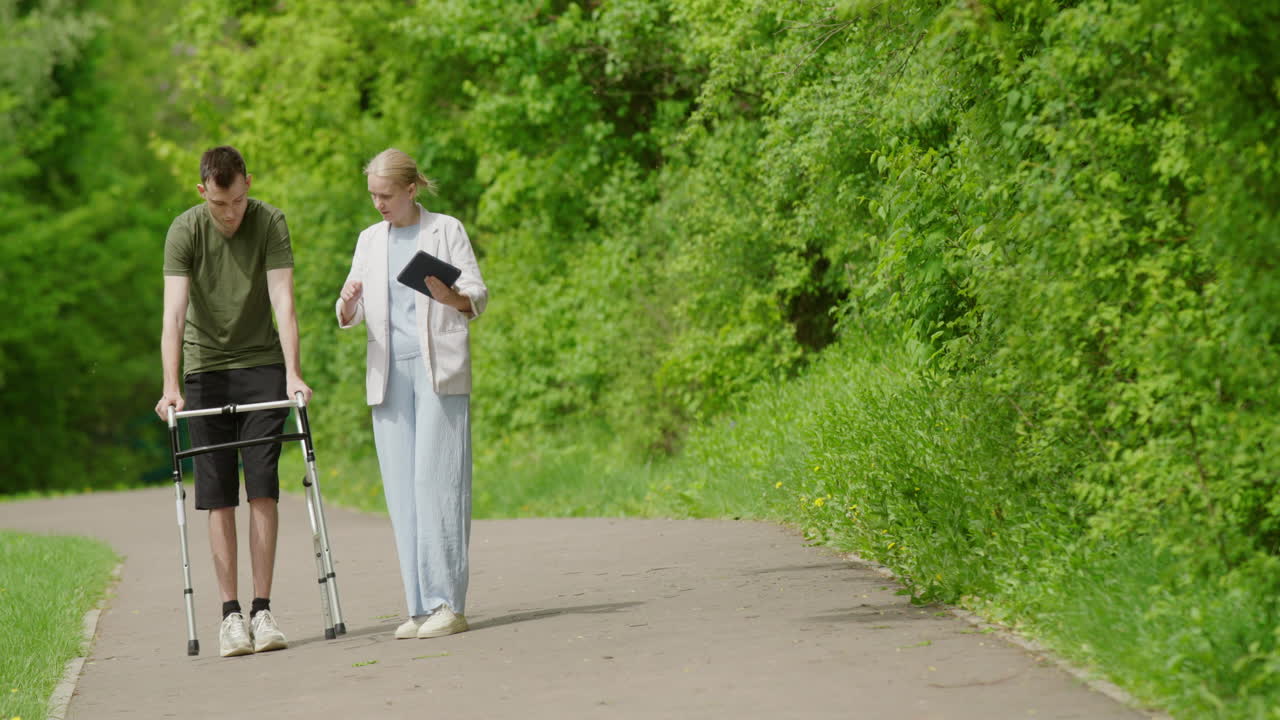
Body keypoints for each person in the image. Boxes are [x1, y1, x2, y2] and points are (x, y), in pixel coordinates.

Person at [154, 145, 313, 658]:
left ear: (249, 184)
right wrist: (171, 385)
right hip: (205, 369)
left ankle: (262, 610)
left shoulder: (270, 222)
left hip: (262, 364)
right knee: (217, 492)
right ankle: (230, 616)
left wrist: (293, 373)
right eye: (220, 204)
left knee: (263, 484)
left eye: (238, 201)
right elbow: (173, 314)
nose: (230, 214)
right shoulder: (184, 230)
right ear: (203, 191)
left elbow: (283, 300)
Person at [336, 148, 488, 639]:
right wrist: (348, 303)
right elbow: (349, 311)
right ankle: (419, 606)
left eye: (386, 195)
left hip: (437, 368)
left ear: (410, 189)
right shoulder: (369, 239)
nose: (378, 204)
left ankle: (449, 604)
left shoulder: (446, 229)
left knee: (437, 483)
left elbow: (477, 294)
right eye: (372, 195)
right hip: (389, 375)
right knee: (402, 491)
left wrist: (452, 297)